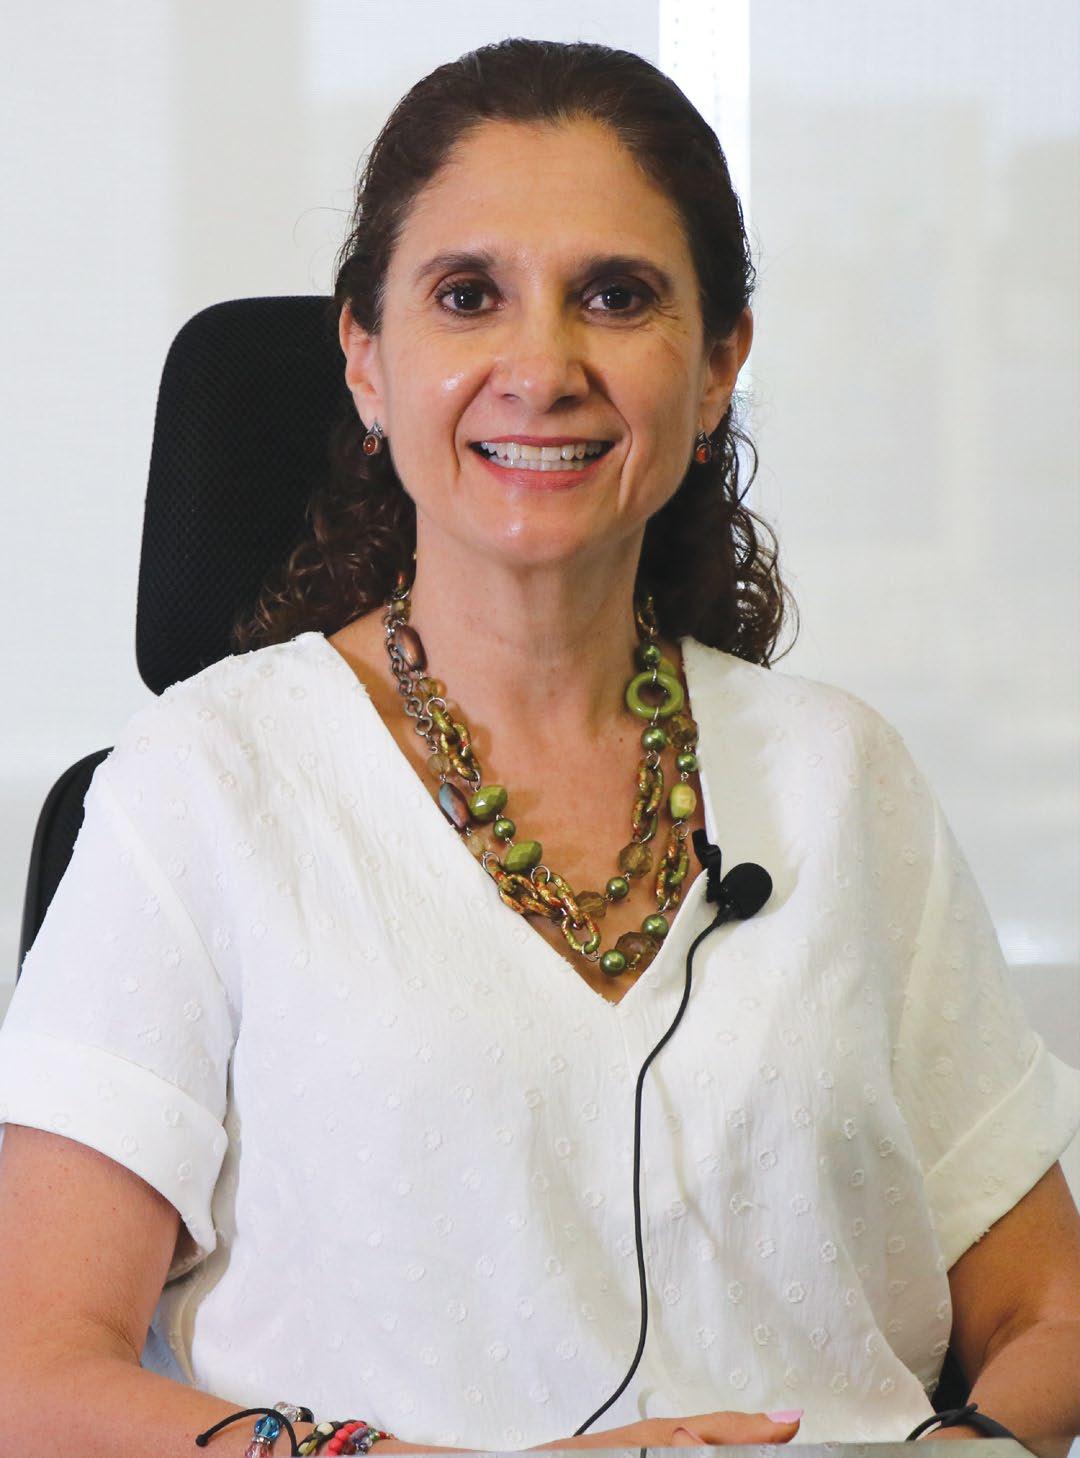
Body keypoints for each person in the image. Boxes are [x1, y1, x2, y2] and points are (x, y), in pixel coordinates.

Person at [1, 36, 1079, 1458]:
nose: (542, 366)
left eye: (616, 296)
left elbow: (1048, 1310)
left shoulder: (843, 775)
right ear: (368, 360)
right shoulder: (204, 785)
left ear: (718, 365)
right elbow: (32, 1374)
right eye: (469, 296)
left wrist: (963, 1449)